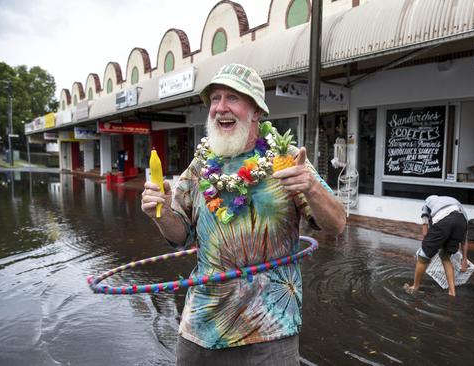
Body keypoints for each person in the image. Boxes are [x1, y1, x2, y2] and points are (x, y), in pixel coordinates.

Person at [140, 63, 346, 365]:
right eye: (215, 98)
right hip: (202, 325)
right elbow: (180, 236)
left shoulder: (284, 160)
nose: (220, 108)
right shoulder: (200, 166)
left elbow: (337, 225)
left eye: (232, 97)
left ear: (257, 111)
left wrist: (312, 188)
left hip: (269, 325)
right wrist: (159, 213)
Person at [403, 195, 469, 297]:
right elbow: (464, 239)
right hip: (461, 222)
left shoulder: (429, 201)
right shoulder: (458, 206)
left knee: (423, 256)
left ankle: (415, 287)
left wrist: (428, 249)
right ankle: (452, 292)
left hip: (444, 220)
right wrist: (464, 259)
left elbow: (425, 231)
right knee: (446, 257)